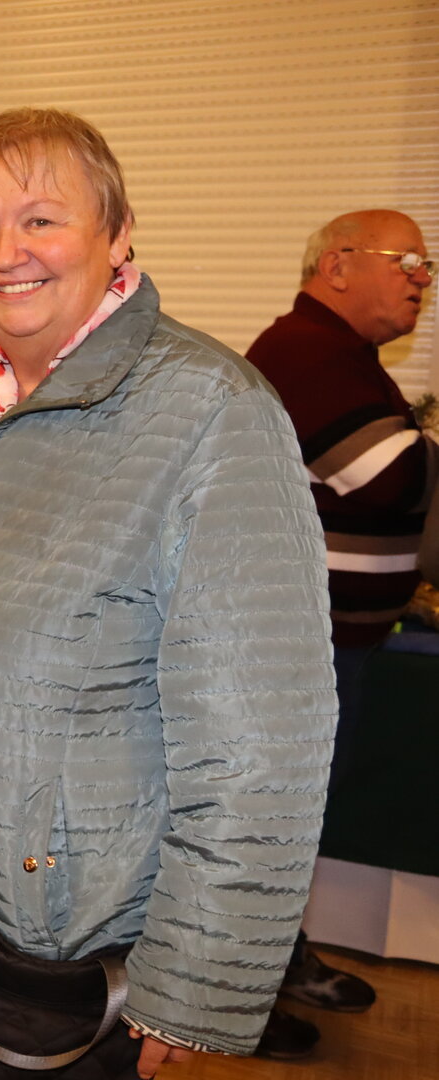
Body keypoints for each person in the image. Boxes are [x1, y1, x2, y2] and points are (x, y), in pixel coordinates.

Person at [0, 108, 335, 1079]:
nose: (7, 251)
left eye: (42, 219)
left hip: (60, 960)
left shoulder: (211, 412)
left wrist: (195, 980)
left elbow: (261, 738)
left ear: (118, 232)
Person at [244, 209, 431, 1053]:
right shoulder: (306, 354)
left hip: (330, 648)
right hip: (293, 652)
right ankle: (233, 998)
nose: (421, 278)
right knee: (266, 826)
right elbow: (393, 478)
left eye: (426, 267)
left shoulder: (345, 358)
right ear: (338, 266)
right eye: (406, 260)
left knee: (292, 823)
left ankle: (274, 959)